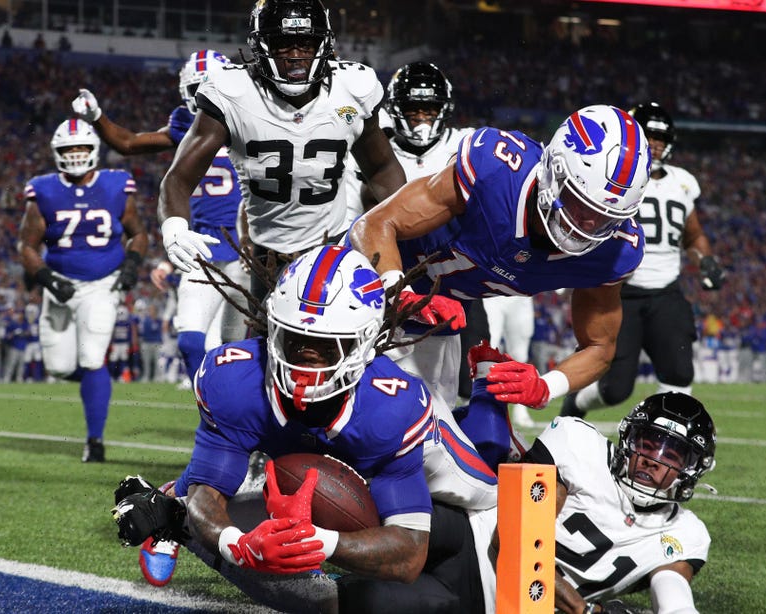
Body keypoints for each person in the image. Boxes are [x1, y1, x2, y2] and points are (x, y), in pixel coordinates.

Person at [110, 245, 498, 606]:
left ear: (364, 344)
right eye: (294, 340)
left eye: (328, 347)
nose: (304, 364)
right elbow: (209, 492)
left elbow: (408, 554)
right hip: (336, 470)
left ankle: (489, 396)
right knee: (255, 530)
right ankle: (175, 511)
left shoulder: (389, 408)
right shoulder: (234, 381)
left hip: (451, 497)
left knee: (343, 597)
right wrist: (236, 545)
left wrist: (315, 541)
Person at [349, 104, 652, 459]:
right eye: (580, 205)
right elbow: (374, 225)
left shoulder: (614, 250)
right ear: (554, 170)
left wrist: (544, 386)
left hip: (435, 318)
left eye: (605, 218)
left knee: (422, 448)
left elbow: (600, 347)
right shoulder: (498, 169)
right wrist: (396, 294)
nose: (586, 226)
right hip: (366, 285)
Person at [151, 0, 406, 302]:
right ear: (260, 46)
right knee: (260, 329)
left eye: (305, 43)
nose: (296, 56)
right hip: (267, 253)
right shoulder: (231, 92)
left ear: (324, 44)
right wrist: (175, 228)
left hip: (334, 246)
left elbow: (381, 168)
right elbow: (178, 178)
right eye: (283, 44)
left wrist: (402, 227)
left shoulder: (353, 87)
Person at [72, 49, 248, 385]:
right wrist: (97, 116)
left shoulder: (251, 121)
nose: (205, 95)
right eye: (198, 89)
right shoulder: (186, 126)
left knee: (236, 344)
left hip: (248, 248)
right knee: (192, 341)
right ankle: (210, 410)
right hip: (203, 244)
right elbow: (128, 143)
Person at [469, 390, 717, 614]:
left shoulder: (685, 534)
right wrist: (584, 610)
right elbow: (512, 539)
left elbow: (675, 604)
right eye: (646, 444)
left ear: (692, 469)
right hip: (472, 561)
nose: (652, 460)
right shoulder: (579, 446)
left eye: (670, 455)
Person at [561, 102, 723, 418]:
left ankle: (666, 438)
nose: (656, 144)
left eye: (661, 138)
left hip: (666, 292)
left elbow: (693, 236)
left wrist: (706, 260)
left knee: (679, 374)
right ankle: (575, 404)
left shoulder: (683, 182)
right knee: (615, 388)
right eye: (650, 136)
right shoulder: (616, 175)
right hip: (622, 292)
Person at [17, 118, 149, 462]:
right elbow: (26, 245)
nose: (75, 154)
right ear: (56, 153)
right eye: (68, 148)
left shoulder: (116, 184)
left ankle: (95, 440)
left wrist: (132, 265)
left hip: (102, 283)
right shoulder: (43, 189)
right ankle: (98, 382)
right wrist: (47, 278)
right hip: (60, 283)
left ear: (94, 149)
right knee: (59, 367)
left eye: (81, 147)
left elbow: (138, 233)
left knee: (92, 357)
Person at [481, 295, 535, 428]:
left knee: (520, 355)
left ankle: (520, 406)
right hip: (492, 294)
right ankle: (483, 404)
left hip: (521, 294)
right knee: (488, 347)